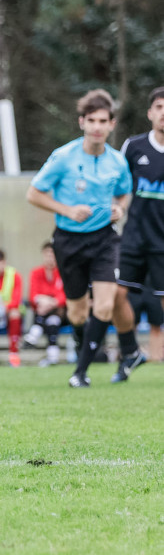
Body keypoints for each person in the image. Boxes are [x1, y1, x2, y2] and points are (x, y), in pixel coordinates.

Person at [26, 88, 135, 388]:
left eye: (103, 120)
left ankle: (80, 372)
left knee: (104, 304)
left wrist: (119, 208)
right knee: (76, 311)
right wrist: (66, 209)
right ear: (81, 123)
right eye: (92, 120)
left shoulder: (117, 162)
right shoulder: (63, 157)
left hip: (104, 240)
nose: (97, 126)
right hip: (68, 240)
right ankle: (82, 345)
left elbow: (125, 193)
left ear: (112, 124)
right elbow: (33, 193)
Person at [112, 86, 164, 380]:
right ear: (150, 113)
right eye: (159, 106)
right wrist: (114, 208)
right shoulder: (133, 147)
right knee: (115, 295)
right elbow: (117, 186)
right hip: (133, 239)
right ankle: (130, 352)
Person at [23, 241, 67, 366]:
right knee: (52, 319)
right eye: (48, 254)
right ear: (43, 255)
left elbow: (65, 294)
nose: (50, 257)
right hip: (43, 310)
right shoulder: (36, 272)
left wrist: (51, 301)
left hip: (61, 312)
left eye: (53, 254)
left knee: (54, 311)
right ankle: (53, 356)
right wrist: (45, 300)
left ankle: (34, 333)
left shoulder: (63, 272)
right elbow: (32, 296)